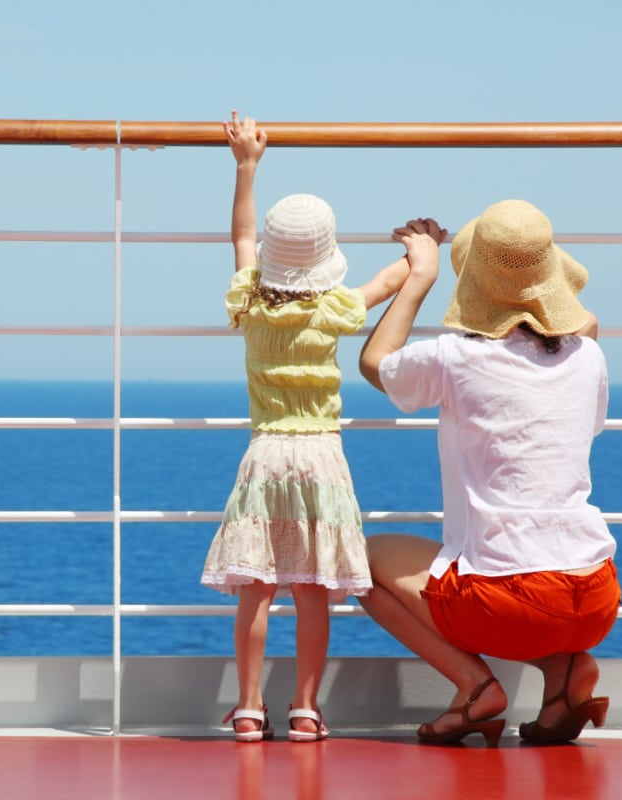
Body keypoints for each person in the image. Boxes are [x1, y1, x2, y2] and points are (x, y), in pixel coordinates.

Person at [357, 199, 621, 747]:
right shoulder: (588, 356)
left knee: (358, 561)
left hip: (500, 603)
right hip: (593, 596)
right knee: (536, 588)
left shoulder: (454, 357)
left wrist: (420, 274)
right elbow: (583, 327)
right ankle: (563, 674)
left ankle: (476, 688)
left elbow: (375, 363)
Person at [201, 111, 422, 743]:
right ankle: (304, 707)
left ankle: (247, 708)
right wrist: (421, 248)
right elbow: (390, 278)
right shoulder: (334, 308)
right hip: (321, 456)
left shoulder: (248, 299)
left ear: (273, 256)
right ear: (326, 259)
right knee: (314, 590)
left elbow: (242, 234)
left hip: (265, 453)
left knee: (257, 589)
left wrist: (246, 165)